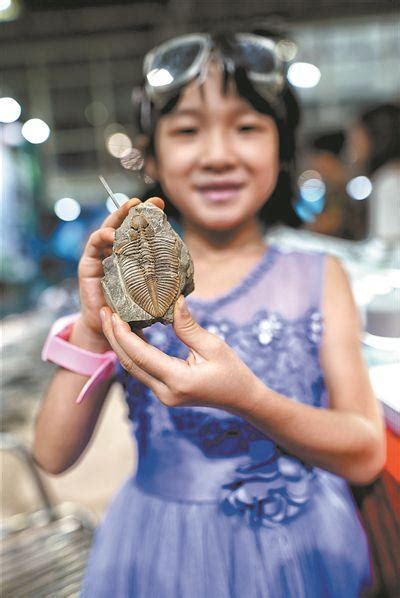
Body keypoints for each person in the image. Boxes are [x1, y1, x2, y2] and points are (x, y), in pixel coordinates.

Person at [33, 31, 385, 598]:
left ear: (281, 145)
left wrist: (250, 399)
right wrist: (94, 325)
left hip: (300, 552)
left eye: (246, 127)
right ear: (151, 153)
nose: (218, 154)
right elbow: (51, 455)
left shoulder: (320, 276)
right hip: (162, 552)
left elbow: (366, 452)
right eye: (188, 130)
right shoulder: (134, 281)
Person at [347, 103, 400, 243]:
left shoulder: (388, 181)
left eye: (357, 138)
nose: (352, 146)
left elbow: (386, 245)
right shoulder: (391, 175)